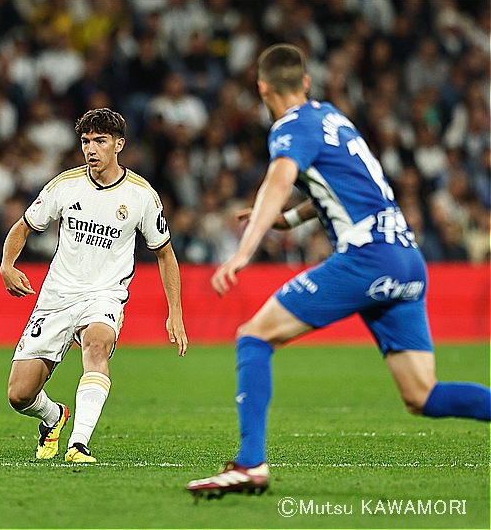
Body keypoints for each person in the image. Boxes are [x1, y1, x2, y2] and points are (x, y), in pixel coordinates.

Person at [186, 44, 491, 498]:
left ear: (261, 87)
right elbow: (344, 187)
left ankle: (250, 464)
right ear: (306, 82)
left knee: (254, 334)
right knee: (422, 395)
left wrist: (244, 251)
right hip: (406, 256)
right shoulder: (332, 118)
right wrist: (289, 220)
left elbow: (280, 179)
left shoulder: (289, 127)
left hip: (368, 258)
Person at [0, 108, 188, 463]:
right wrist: (7, 264)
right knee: (19, 395)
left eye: (100, 141)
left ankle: (79, 444)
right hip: (56, 297)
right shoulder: (64, 185)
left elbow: (165, 254)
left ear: (119, 145)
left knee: (97, 348)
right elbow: (23, 226)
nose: (91, 149)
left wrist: (174, 313)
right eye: (86, 141)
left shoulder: (141, 195)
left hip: (104, 296)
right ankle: (54, 418)